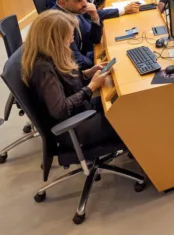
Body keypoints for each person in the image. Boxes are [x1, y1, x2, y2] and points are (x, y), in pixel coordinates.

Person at [22, 10, 120, 147]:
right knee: (129, 117)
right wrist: (91, 87)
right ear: (54, 40)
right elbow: (60, 110)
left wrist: (87, 74)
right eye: (68, 37)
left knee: (127, 104)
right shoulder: (42, 68)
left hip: (80, 110)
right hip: (70, 128)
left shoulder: (53, 55)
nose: (72, 40)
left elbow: (67, 83)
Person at [51, 0, 102, 69]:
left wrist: (95, 17)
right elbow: (78, 61)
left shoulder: (74, 10)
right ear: (62, 3)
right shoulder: (59, 23)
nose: (85, 4)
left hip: (84, 55)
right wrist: (97, 60)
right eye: (78, 0)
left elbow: (94, 39)